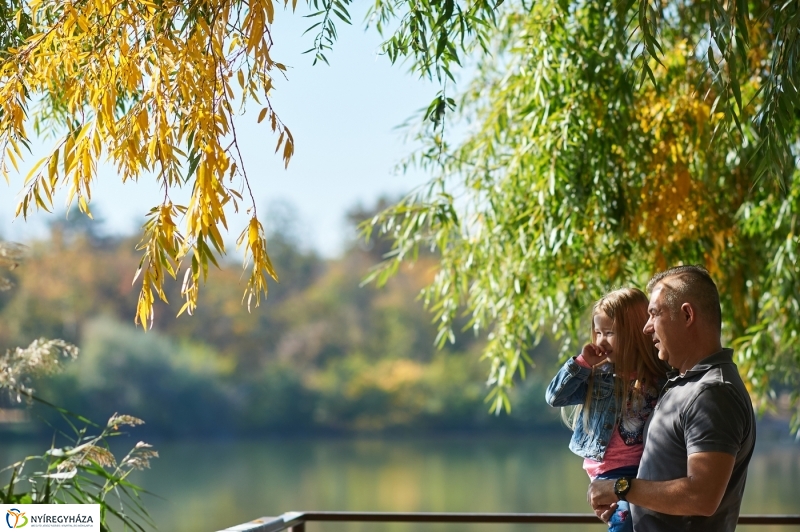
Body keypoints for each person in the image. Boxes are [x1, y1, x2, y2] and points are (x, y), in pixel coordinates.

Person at [588, 265, 756, 531]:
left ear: (687, 315)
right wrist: (625, 504)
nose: (646, 328)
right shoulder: (683, 384)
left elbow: (701, 497)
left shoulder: (712, 393)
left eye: (654, 314)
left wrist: (620, 488)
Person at [546, 288, 669, 532]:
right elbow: (555, 397)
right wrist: (581, 364)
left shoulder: (657, 376)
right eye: (598, 332)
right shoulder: (597, 376)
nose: (601, 340)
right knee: (624, 522)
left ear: (634, 333)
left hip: (646, 469)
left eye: (610, 333)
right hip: (609, 471)